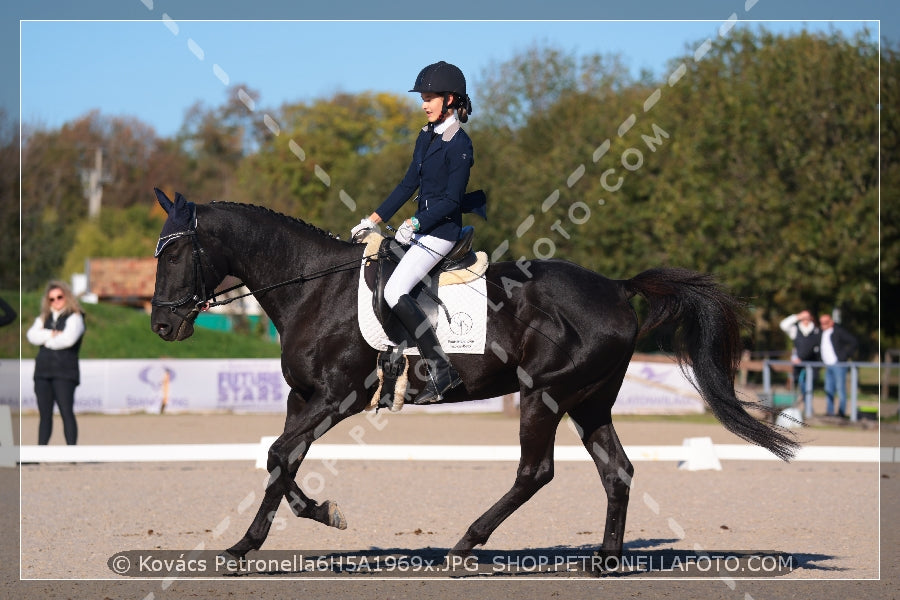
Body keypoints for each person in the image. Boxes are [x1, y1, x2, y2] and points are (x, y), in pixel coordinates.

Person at [350, 60, 475, 404]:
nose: (423, 104)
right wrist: (372, 219)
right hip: (420, 231)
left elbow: (451, 201)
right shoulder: (425, 136)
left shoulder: (460, 145)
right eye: (422, 97)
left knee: (394, 290)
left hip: (441, 232)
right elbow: (408, 184)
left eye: (430, 98)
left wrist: (417, 224)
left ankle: (440, 366)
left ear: (450, 99)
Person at [26, 280, 85, 445]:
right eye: (52, 298)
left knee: (66, 412)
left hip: (65, 372)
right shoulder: (44, 317)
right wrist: (51, 334)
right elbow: (31, 336)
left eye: (59, 297)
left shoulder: (75, 316)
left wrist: (45, 340)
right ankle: (40, 452)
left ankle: (72, 453)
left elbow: (68, 340)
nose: (56, 301)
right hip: (42, 372)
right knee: (44, 415)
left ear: (67, 296)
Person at [818, 313, 858, 418]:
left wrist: (845, 355)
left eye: (825, 323)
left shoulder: (838, 331)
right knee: (828, 389)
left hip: (839, 364)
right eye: (821, 323)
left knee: (840, 389)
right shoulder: (822, 333)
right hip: (828, 365)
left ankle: (841, 413)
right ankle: (830, 412)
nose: (823, 325)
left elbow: (853, 341)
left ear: (831, 321)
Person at [779, 310, 821, 404]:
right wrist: (797, 317)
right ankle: (798, 402)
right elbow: (783, 325)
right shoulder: (795, 329)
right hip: (798, 363)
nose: (805, 319)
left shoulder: (817, 330)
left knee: (810, 383)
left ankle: (808, 405)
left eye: (807, 317)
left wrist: (802, 357)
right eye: (803, 317)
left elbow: (813, 346)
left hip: (812, 362)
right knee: (797, 382)